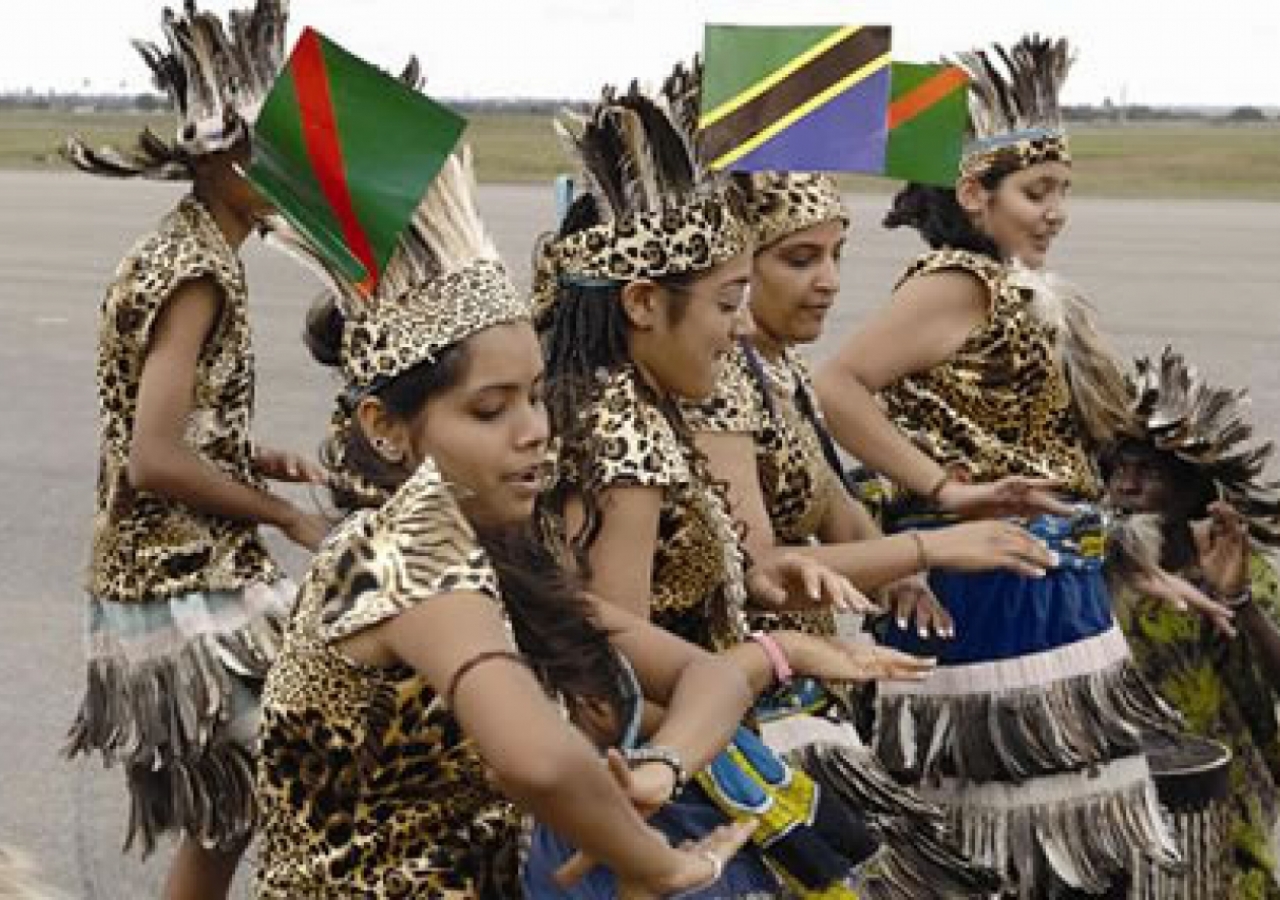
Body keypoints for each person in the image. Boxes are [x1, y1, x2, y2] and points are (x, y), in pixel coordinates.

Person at [253, 141, 854, 897]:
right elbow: (536, 759)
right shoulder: (403, 546)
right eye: (489, 409)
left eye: (535, 395)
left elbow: (700, 674)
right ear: (385, 427)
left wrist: (658, 769)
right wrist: (664, 863)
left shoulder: (500, 552)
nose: (534, 428)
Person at [532, 64, 935, 898]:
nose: (733, 333)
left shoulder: (610, 406)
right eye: (724, 304)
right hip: (643, 800)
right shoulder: (627, 438)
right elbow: (613, 679)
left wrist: (756, 578)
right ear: (644, 304)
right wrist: (705, 738)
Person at [811, 35, 1188, 896]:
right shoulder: (957, 282)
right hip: (985, 598)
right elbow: (840, 387)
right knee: (996, 822)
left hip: (1044, 580)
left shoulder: (1011, 283)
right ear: (974, 194)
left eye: (1063, 192)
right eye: (1036, 192)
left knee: (1060, 822)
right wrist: (942, 488)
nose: (1055, 211)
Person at [686, 168, 1072, 897]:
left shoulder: (777, 367)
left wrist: (902, 568)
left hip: (807, 693)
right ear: (737, 265)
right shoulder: (720, 385)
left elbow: (832, 498)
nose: (829, 281)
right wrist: (933, 542)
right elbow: (762, 568)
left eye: (837, 256)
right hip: (744, 711)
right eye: (800, 260)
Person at [61, 3, 326, 898]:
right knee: (247, 801)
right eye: (267, 154)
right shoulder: (199, 270)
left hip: (179, 565)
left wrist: (256, 457)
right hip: (173, 579)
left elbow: (175, 431)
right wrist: (286, 513)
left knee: (238, 809)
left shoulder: (192, 244)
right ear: (219, 160)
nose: (285, 171)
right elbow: (155, 461)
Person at [1106, 347, 1280, 899]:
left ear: (1193, 494)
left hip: (1217, 792)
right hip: (1113, 793)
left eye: (1148, 472)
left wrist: (1240, 603)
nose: (1125, 487)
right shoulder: (1087, 571)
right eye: (1119, 469)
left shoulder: (1238, 568)